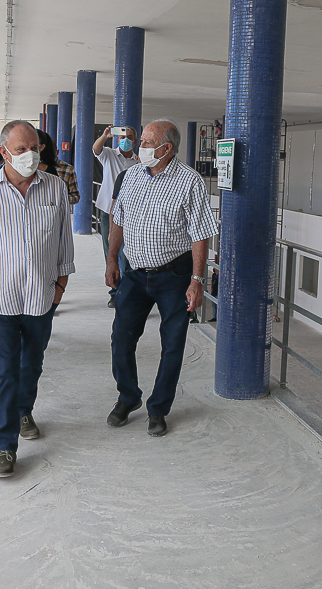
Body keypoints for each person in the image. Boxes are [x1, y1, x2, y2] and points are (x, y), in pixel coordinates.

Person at [0, 120, 75, 478]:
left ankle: (24, 410)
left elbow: (64, 241)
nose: (30, 155)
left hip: (42, 297)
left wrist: (60, 287)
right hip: (0, 299)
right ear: (4, 152)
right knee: (5, 370)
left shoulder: (54, 187)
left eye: (34, 148)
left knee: (32, 363)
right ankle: (4, 446)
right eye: (21, 149)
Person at [105, 120, 218, 437]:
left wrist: (197, 280)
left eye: (146, 141)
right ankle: (128, 396)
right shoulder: (131, 176)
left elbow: (200, 234)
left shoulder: (189, 182)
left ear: (166, 148)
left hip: (175, 276)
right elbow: (118, 220)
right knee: (121, 338)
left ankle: (158, 408)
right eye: (141, 140)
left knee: (172, 344)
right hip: (134, 274)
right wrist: (112, 259)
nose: (139, 146)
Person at [94, 124, 138, 307]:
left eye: (129, 137)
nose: (125, 140)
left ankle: (126, 291)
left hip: (130, 213)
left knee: (127, 253)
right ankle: (114, 291)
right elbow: (96, 149)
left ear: (135, 141)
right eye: (122, 137)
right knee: (110, 251)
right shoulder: (109, 155)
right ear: (117, 139)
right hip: (108, 210)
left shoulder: (138, 161)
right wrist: (105, 136)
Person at [36, 129, 79, 205]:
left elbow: (75, 196)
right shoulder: (33, 167)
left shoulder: (68, 169)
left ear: (57, 152)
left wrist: (59, 199)